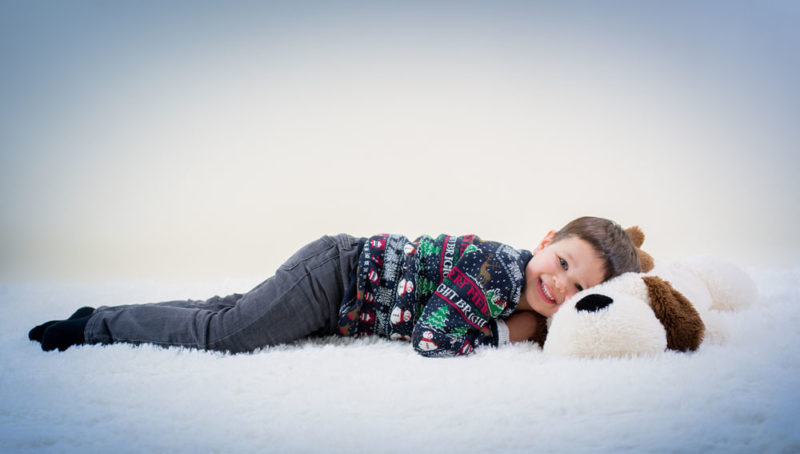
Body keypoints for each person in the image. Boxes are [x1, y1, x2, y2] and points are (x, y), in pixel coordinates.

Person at [28, 216, 642, 357]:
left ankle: (105, 311)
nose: (559, 284)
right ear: (543, 242)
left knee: (227, 310)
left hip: (342, 297)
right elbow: (433, 338)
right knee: (226, 334)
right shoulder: (504, 272)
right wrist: (513, 331)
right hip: (336, 278)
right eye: (561, 262)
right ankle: (93, 327)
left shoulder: (517, 282)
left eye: (578, 284)